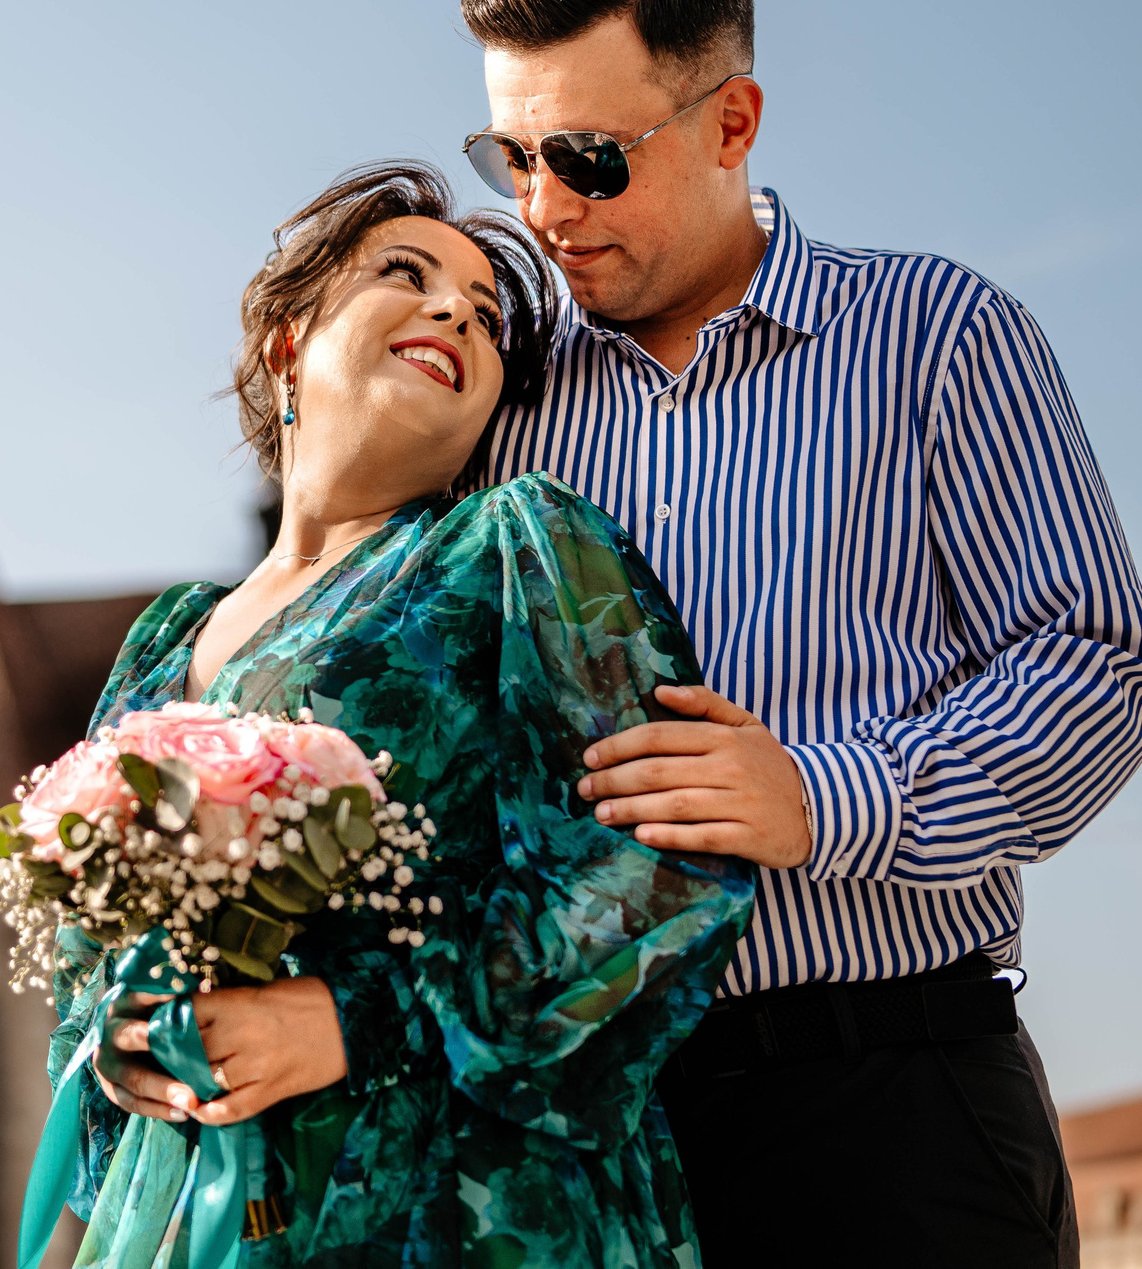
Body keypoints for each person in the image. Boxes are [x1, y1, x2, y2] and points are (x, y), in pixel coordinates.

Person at [457, 0, 1142, 1267]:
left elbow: (1099, 665)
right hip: (577, 1136)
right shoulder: (496, 381)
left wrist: (824, 798)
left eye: (593, 158)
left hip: (894, 1116)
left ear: (733, 123)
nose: (545, 207)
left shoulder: (939, 334)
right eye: (515, 154)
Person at [54, 164, 756, 1268]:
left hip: (469, 1207)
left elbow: (657, 867)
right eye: (406, 275)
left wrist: (352, 1017)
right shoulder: (164, 638)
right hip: (195, 1218)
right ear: (288, 342)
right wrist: (120, 1061)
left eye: (484, 317)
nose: (454, 314)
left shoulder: (519, 551)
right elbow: (89, 966)